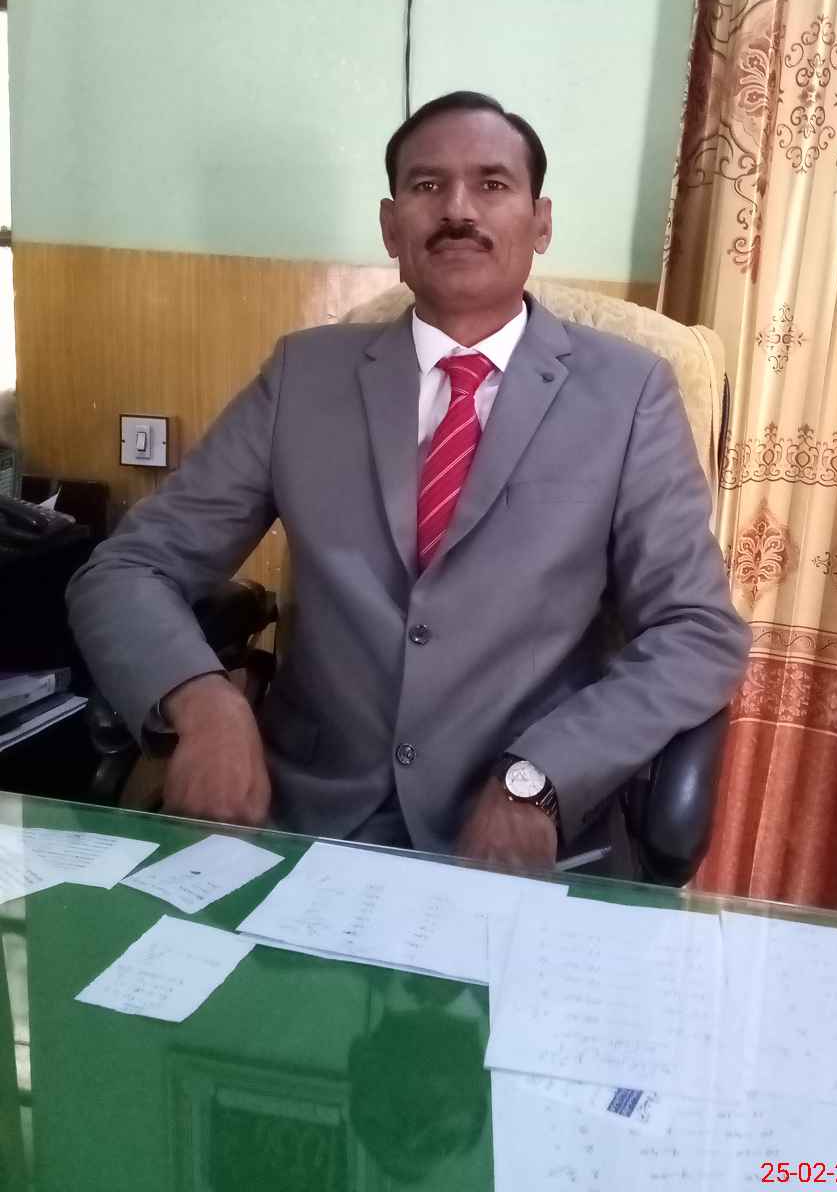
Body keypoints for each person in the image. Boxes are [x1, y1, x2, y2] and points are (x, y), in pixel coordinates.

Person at [67, 90, 751, 872]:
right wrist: (203, 700)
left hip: (524, 834)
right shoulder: (303, 378)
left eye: (492, 184)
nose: (458, 209)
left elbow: (697, 630)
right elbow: (126, 569)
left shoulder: (629, 394)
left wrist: (541, 780)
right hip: (304, 819)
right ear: (393, 227)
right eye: (428, 185)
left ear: (540, 222)